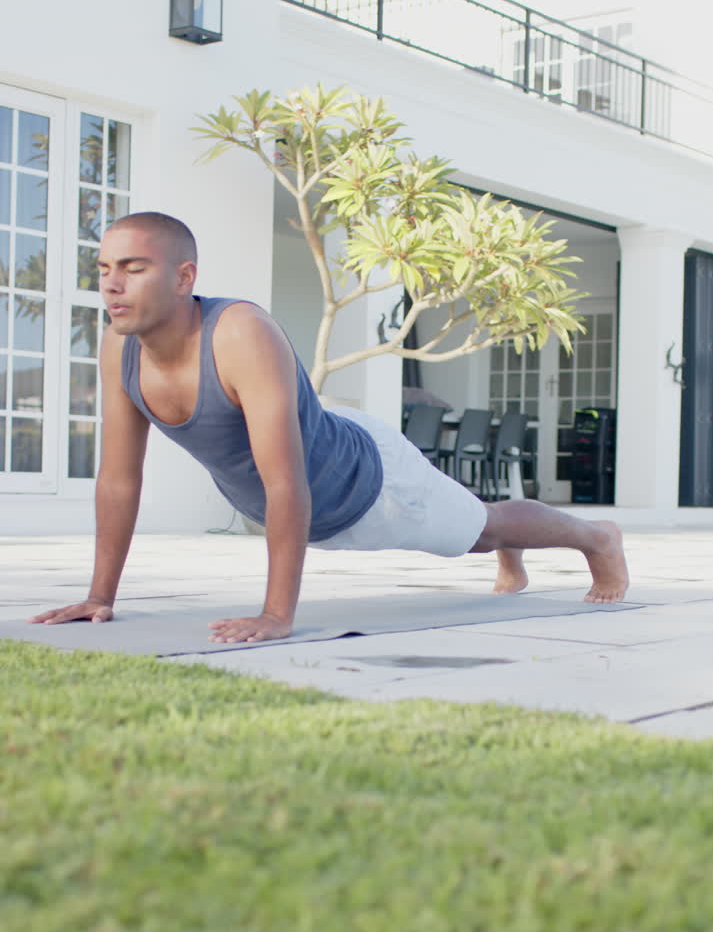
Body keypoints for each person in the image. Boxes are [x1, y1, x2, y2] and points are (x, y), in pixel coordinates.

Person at [31, 212, 628, 644]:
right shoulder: (120, 347)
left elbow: (285, 479)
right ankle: (507, 539)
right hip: (318, 473)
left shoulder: (239, 333)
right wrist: (99, 598)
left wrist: (277, 614)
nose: (111, 284)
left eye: (133, 268)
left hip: (368, 484)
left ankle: (596, 538)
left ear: (184, 277)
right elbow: (118, 480)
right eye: (104, 269)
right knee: (479, 526)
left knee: (482, 531)